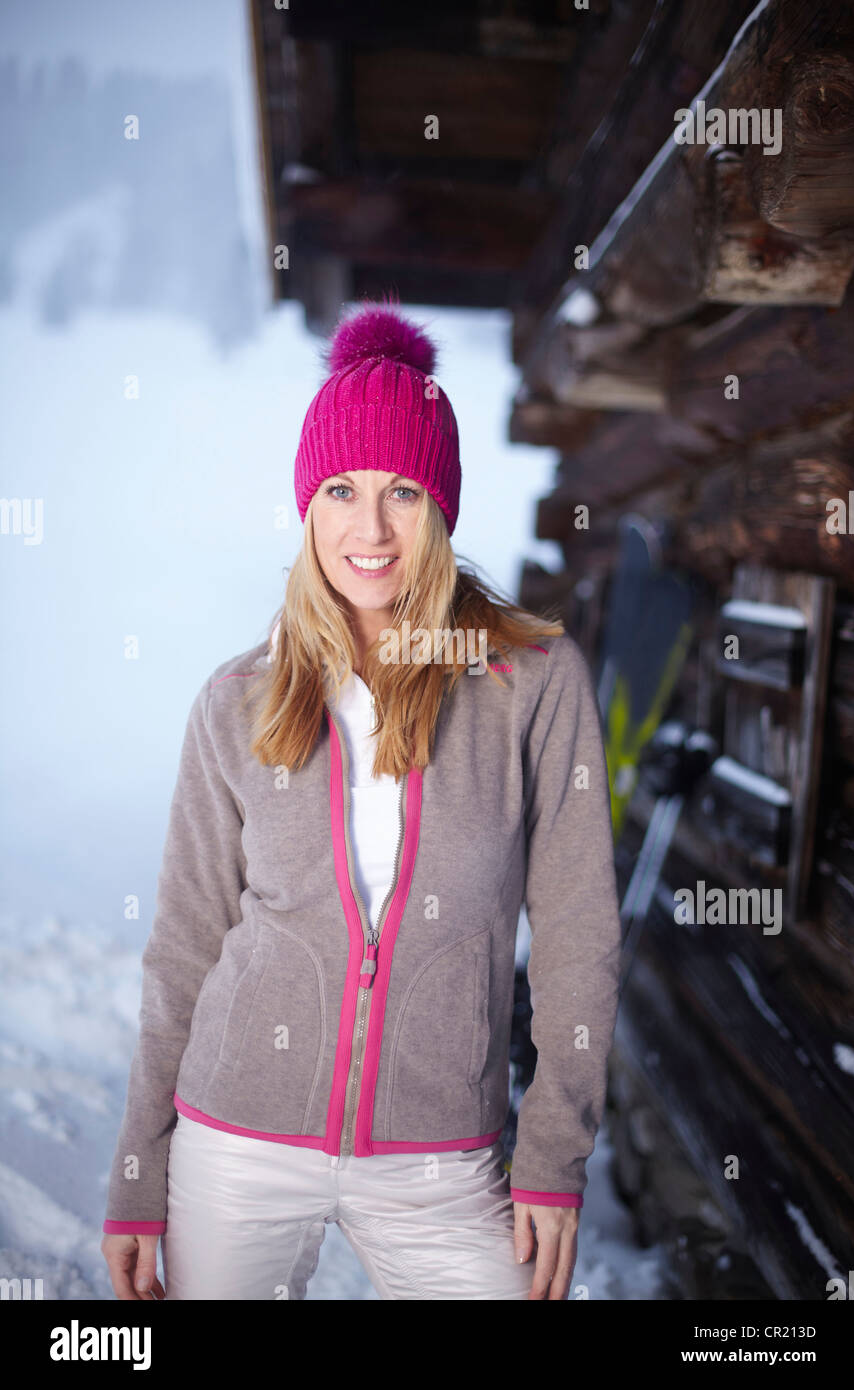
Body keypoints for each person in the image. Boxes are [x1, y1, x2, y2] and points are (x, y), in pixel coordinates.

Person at [100, 298, 622, 1301]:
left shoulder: (533, 683)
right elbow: (182, 948)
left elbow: (575, 929)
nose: (368, 528)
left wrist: (554, 1154)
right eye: (339, 489)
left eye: (403, 492)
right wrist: (137, 1171)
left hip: (441, 1158)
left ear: (441, 505)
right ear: (307, 507)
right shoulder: (235, 701)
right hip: (236, 1139)